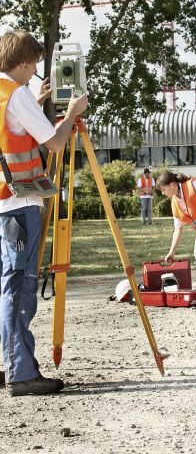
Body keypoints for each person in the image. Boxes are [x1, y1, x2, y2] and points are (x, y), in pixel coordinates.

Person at [0, 29, 88, 397]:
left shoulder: (8, 94)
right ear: (22, 62)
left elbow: (11, 134)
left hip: (4, 203)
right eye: (34, 63)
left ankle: (9, 362)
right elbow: (53, 142)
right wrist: (70, 113)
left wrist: (35, 105)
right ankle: (21, 373)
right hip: (20, 204)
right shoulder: (16, 94)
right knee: (19, 287)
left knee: (7, 284)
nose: (36, 68)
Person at [156, 171, 196, 290]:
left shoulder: (193, 185)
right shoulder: (174, 203)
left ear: (172, 185)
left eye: (163, 189)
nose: (163, 193)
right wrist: (172, 252)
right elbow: (178, 229)